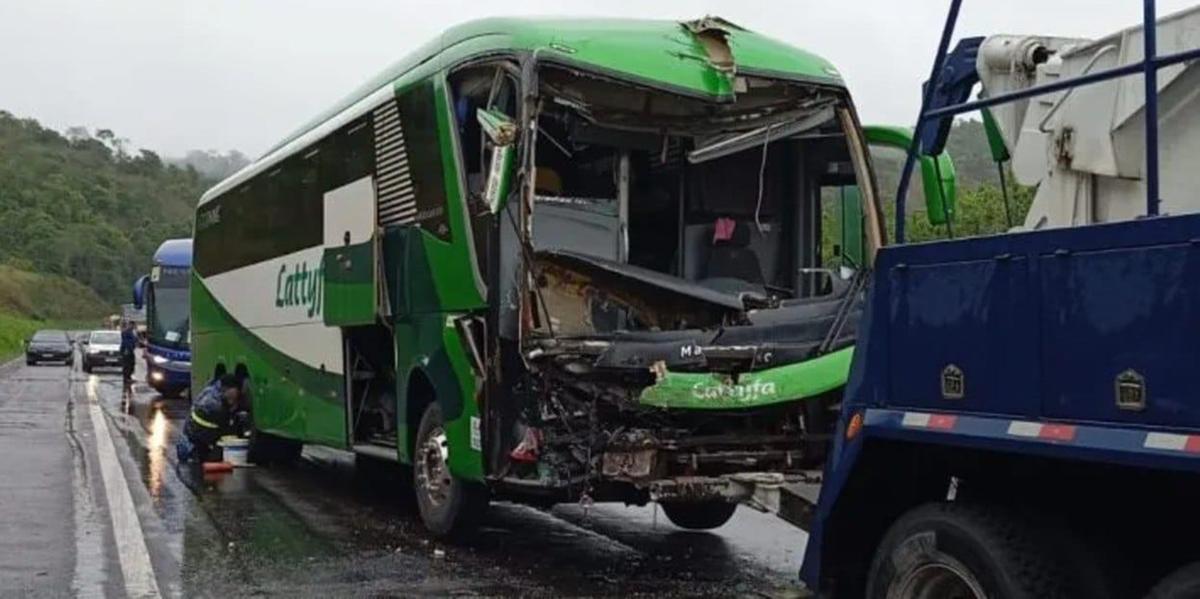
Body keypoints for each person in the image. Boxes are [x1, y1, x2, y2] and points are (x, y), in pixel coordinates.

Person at [176, 374, 250, 463]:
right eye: (237, 391)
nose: (237, 395)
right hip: (200, 437)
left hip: (193, 435)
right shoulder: (215, 405)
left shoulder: (210, 390)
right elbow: (226, 427)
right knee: (229, 441)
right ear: (229, 389)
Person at [119, 321, 138, 389]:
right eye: (132, 325)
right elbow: (125, 342)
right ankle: (126, 378)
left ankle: (129, 377)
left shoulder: (132, 332)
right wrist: (127, 349)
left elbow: (135, 340)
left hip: (130, 350)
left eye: (134, 325)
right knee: (127, 365)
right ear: (130, 325)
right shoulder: (126, 332)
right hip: (127, 350)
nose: (133, 326)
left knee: (132, 363)